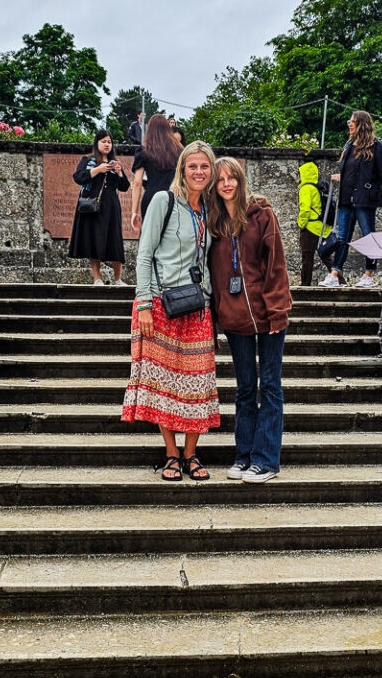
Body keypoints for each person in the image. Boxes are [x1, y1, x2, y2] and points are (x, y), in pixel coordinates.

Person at [122, 140, 220, 481]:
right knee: (164, 384)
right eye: (192, 166)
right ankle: (171, 455)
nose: (198, 172)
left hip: (198, 307)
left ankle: (192, 455)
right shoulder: (163, 201)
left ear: (211, 171)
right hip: (161, 305)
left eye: (204, 166)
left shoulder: (210, 209)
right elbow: (144, 255)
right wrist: (145, 304)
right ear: (182, 169)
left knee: (197, 383)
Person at [208, 158, 291, 484]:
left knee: (269, 386)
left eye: (232, 178)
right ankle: (244, 457)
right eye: (221, 179)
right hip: (234, 318)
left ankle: (266, 460)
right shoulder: (214, 225)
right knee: (244, 389)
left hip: (268, 315)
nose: (226, 183)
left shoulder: (262, 216)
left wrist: (277, 311)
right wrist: (217, 316)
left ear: (241, 181)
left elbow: (276, 266)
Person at [320, 110, 382, 289]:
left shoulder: (376, 146)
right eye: (349, 121)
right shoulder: (349, 145)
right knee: (342, 237)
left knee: (369, 235)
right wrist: (342, 176)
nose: (349, 124)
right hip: (347, 198)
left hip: (365, 199)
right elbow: (354, 171)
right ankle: (335, 274)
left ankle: (368, 274)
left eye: (352, 121)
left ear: (361, 124)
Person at [70, 130, 130, 285]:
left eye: (109, 142)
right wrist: (98, 169)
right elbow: (79, 177)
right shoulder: (88, 160)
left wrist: (119, 173)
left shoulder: (114, 163)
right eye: (103, 141)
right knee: (94, 240)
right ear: (97, 143)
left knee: (115, 241)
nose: (107, 144)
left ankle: (118, 278)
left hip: (111, 207)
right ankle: (97, 278)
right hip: (93, 206)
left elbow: (124, 187)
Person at [130, 114, 183, 233]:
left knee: (149, 237)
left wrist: (134, 212)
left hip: (151, 198)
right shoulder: (179, 150)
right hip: (173, 198)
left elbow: (138, 182)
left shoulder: (144, 151)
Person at [297, 160, 333, 286]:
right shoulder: (318, 187)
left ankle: (305, 284)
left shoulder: (306, 188)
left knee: (307, 257)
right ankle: (339, 279)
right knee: (325, 256)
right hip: (321, 227)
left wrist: (301, 224)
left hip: (310, 228)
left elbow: (305, 209)